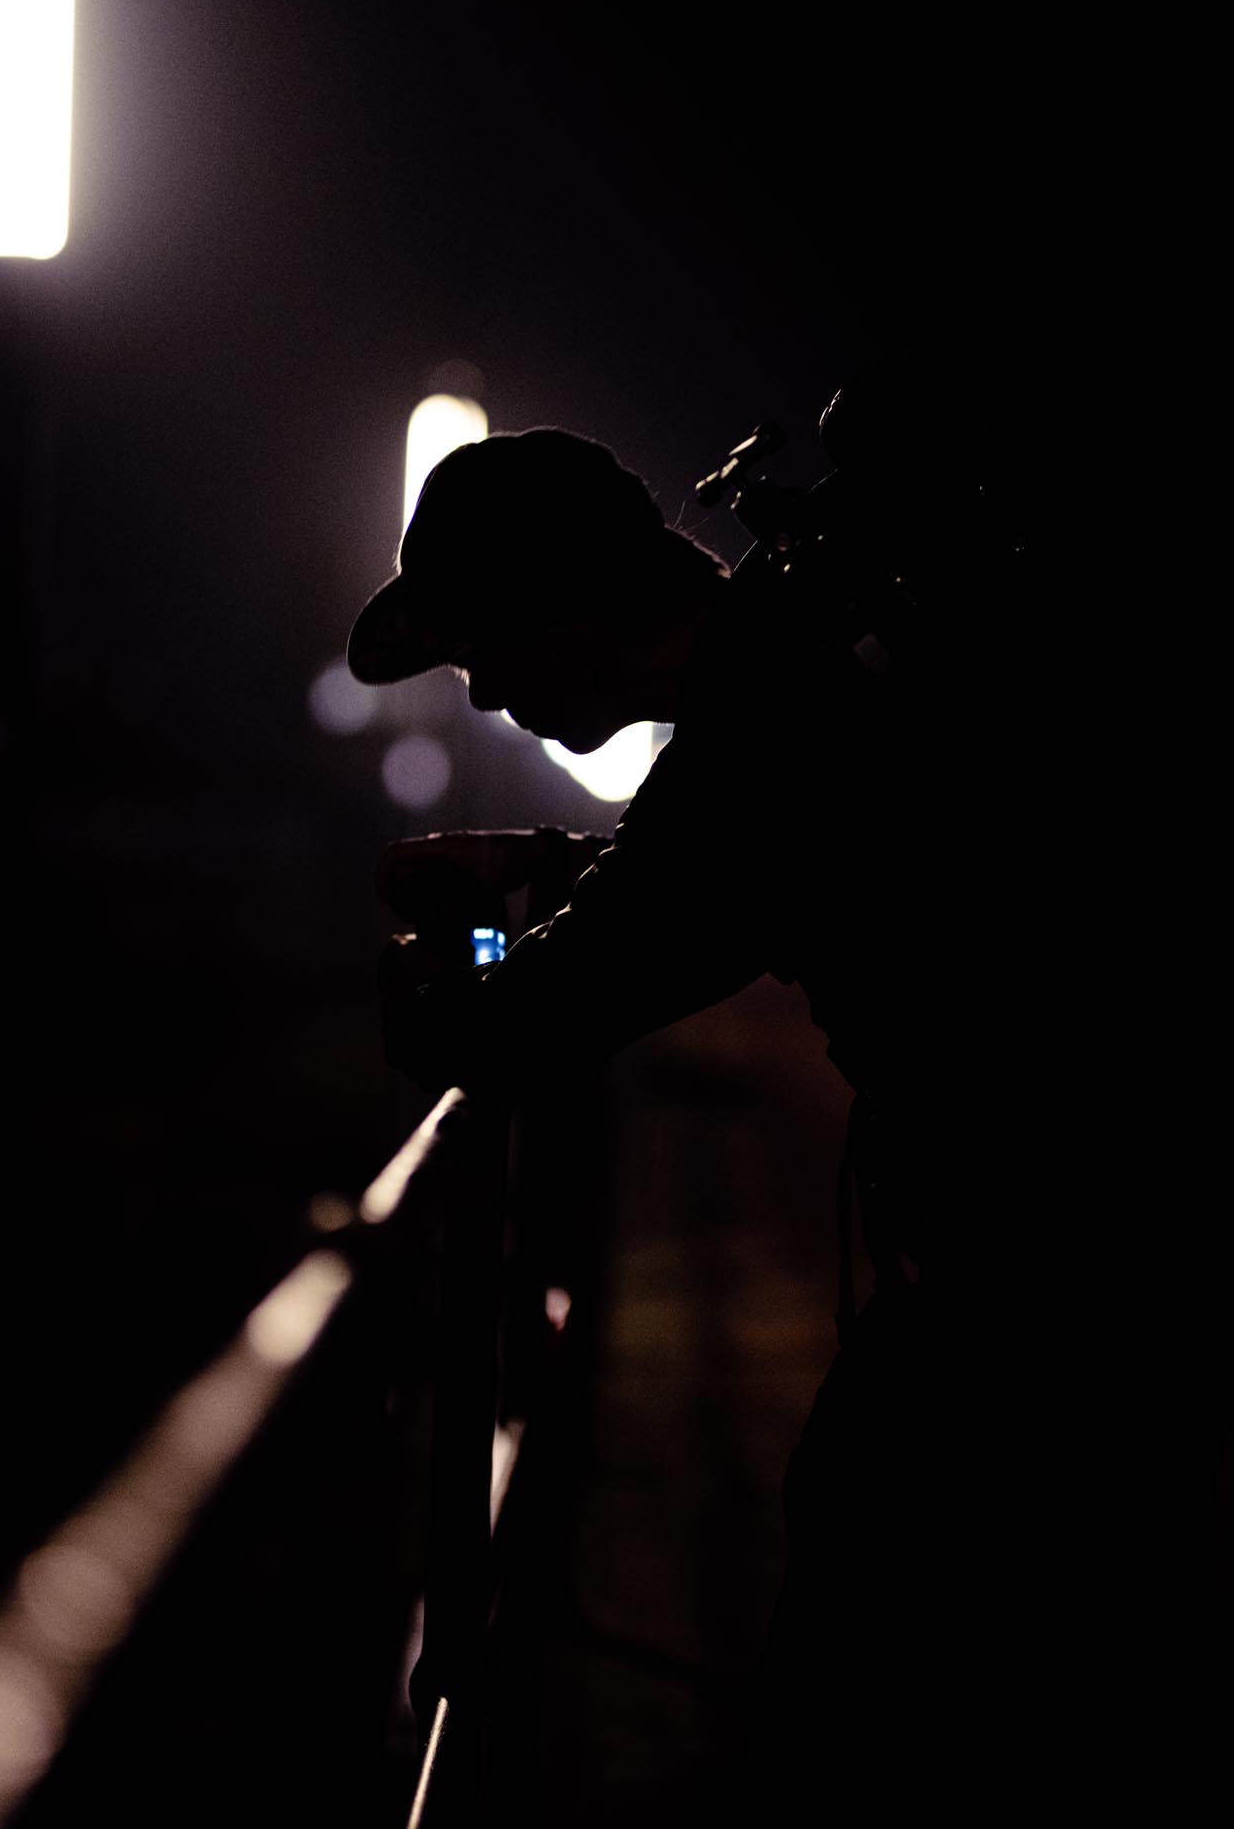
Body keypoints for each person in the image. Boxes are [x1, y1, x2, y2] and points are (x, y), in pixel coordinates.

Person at [346, 378, 1222, 1808]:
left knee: (874, 1650)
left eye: (483, 651)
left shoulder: (762, 724)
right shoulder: (810, 658)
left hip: (1050, 1286)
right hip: (1125, 1242)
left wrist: (431, 982)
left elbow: (536, 1018)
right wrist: (554, 870)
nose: (487, 692)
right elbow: (738, 877)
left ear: (569, 614)